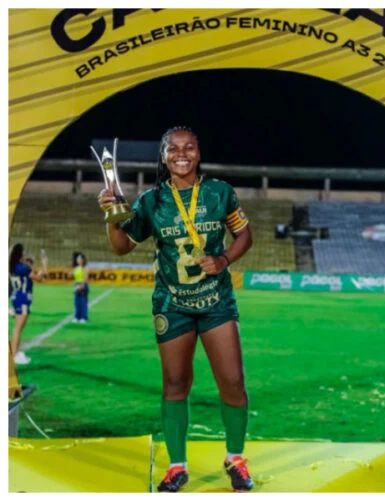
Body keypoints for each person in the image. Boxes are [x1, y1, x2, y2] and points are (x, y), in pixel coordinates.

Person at [98, 126, 254, 492]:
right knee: (174, 384)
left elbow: (245, 235)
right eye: (173, 148)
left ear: (198, 153)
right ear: (164, 155)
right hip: (173, 304)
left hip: (216, 302)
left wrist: (225, 259)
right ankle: (177, 465)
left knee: (233, 383)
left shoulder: (220, 193)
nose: (181, 154)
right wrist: (110, 216)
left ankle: (236, 459)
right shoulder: (151, 201)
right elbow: (122, 246)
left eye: (189, 148)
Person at [9, 244, 47, 365]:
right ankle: (14, 355)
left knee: (17, 329)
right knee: (18, 329)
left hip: (16, 297)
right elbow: (39, 279)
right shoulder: (23, 267)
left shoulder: (13, 266)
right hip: (23, 298)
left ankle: (15, 353)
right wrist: (44, 265)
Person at [72, 252, 89, 323]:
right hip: (76, 284)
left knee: (83, 302)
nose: (77, 260)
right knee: (77, 302)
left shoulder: (84, 268)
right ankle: (77, 317)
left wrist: (82, 285)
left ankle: (83, 317)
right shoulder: (77, 268)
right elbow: (74, 276)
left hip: (82, 284)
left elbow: (85, 278)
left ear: (82, 260)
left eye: (78, 258)